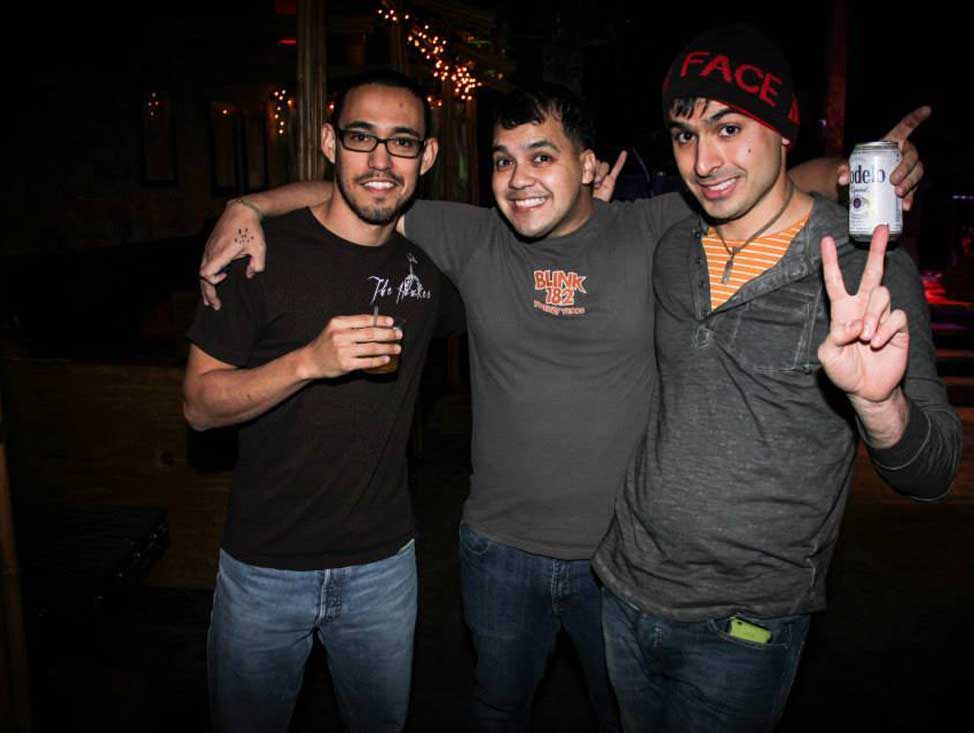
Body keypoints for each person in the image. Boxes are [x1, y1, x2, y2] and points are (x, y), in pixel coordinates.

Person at [197, 82, 924, 731]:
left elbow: (763, 183)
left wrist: (850, 171)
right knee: (496, 707)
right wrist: (248, 204)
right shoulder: (473, 236)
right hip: (496, 550)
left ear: (588, 165)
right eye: (504, 160)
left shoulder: (651, 230)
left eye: (542, 157)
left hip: (619, 561)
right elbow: (366, 191)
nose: (518, 180)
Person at [591, 25, 962, 732]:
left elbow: (935, 470)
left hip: (743, 626)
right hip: (622, 587)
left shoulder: (862, 269)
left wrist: (879, 406)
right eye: (683, 134)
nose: (704, 160)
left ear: (784, 130)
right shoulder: (671, 246)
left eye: (729, 127)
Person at [182, 69, 461, 733]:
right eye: (362, 138)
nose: (381, 160)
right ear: (331, 143)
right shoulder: (257, 255)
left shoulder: (428, 271)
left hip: (383, 569)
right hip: (264, 569)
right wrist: (308, 362)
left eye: (402, 143)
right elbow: (198, 404)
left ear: (427, 158)